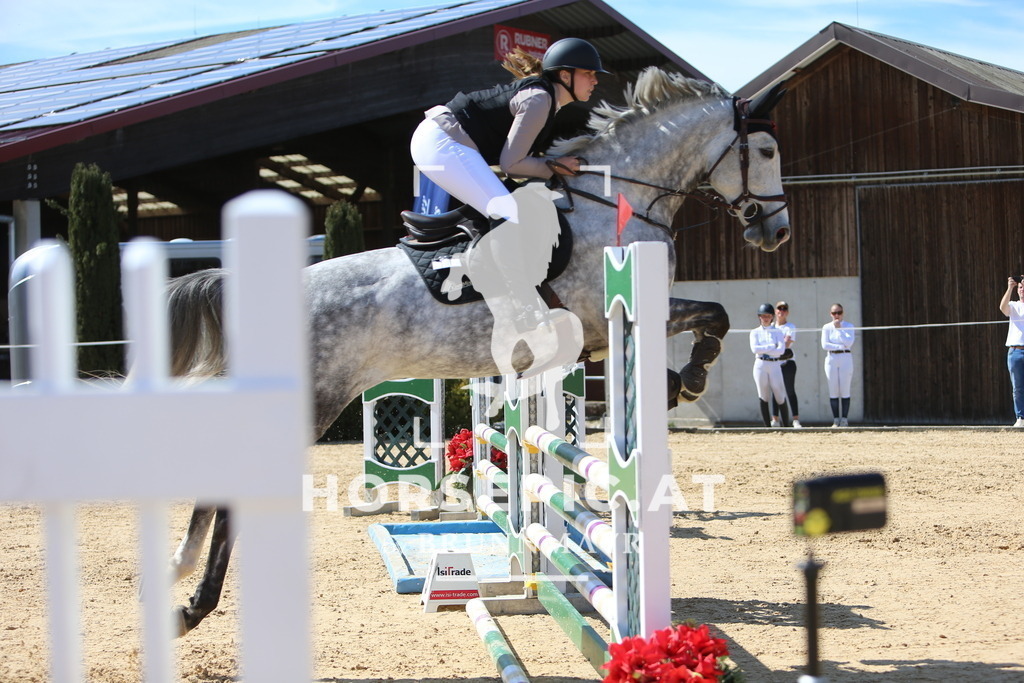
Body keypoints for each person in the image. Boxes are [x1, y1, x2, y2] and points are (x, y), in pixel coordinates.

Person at [409, 38, 607, 225]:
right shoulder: (539, 100)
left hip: (441, 140)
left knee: (506, 210)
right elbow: (511, 164)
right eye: (588, 73)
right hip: (443, 142)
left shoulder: (545, 100)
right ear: (565, 75)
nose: (595, 81)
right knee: (509, 217)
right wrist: (554, 166)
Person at [750, 303, 791, 427]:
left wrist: (766, 349)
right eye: (763, 316)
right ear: (759, 317)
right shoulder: (755, 332)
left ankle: (786, 425)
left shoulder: (777, 331)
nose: (766, 318)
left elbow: (781, 350)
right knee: (763, 394)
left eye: (768, 316)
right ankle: (767, 426)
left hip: (774, 364)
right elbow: (755, 349)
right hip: (760, 364)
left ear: (772, 317)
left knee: (779, 394)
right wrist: (771, 346)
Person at [821, 303, 855, 427]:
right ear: (830, 314)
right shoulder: (826, 327)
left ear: (843, 313)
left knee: (845, 388)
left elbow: (849, 343)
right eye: (834, 313)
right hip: (832, 358)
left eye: (839, 313)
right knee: (833, 389)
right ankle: (836, 418)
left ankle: (844, 419)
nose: (837, 316)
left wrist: (839, 329)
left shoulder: (849, 326)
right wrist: (839, 345)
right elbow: (825, 345)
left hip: (845, 357)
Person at [770, 301, 802, 428]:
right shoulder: (771, 327)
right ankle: (775, 419)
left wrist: (776, 346)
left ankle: (795, 419)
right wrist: (778, 344)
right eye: (779, 309)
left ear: (787, 312)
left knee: (789, 390)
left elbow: (786, 345)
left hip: (788, 362)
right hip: (774, 363)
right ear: (775, 311)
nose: (781, 311)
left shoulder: (790, 326)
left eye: (784, 309)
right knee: (775, 391)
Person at [998, 275, 1024, 427]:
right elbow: (1003, 308)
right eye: (1021, 287)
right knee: (1018, 387)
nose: (1022, 290)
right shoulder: (1013, 305)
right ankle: (1021, 417)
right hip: (1015, 351)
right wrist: (1010, 287)